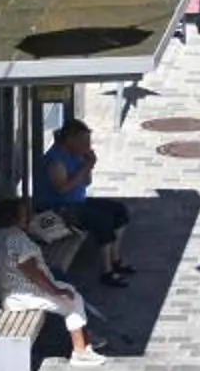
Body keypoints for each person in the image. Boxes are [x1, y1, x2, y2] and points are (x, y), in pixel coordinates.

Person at [0, 197, 107, 364]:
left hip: (9, 291)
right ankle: (80, 352)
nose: (28, 217)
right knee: (71, 301)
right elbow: (32, 271)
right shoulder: (16, 239)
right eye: (23, 214)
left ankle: (86, 339)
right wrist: (55, 291)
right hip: (23, 293)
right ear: (12, 217)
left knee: (69, 290)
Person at [38, 120, 132, 286]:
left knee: (119, 210)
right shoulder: (55, 161)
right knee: (102, 220)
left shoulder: (79, 156)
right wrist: (86, 166)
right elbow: (63, 189)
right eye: (83, 141)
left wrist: (88, 166)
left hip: (78, 202)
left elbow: (86, 183)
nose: (87, 145)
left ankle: (115, 259)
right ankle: (107, 271)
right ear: (70, 140)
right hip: (59, 209)